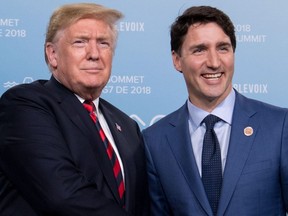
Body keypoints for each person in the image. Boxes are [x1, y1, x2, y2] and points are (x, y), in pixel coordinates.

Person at [0, 3, 149, 215]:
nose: (94, 54)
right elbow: (63, 196)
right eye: (80, 42)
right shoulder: (24, 105)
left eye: (103, 43)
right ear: (52, 55)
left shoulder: (127, 126)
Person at [142, 5, 288, 216]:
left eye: (223, 48)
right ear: (177, 60)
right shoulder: (155, 141)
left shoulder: (279, 126)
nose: (214, 62)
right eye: (199, 49)